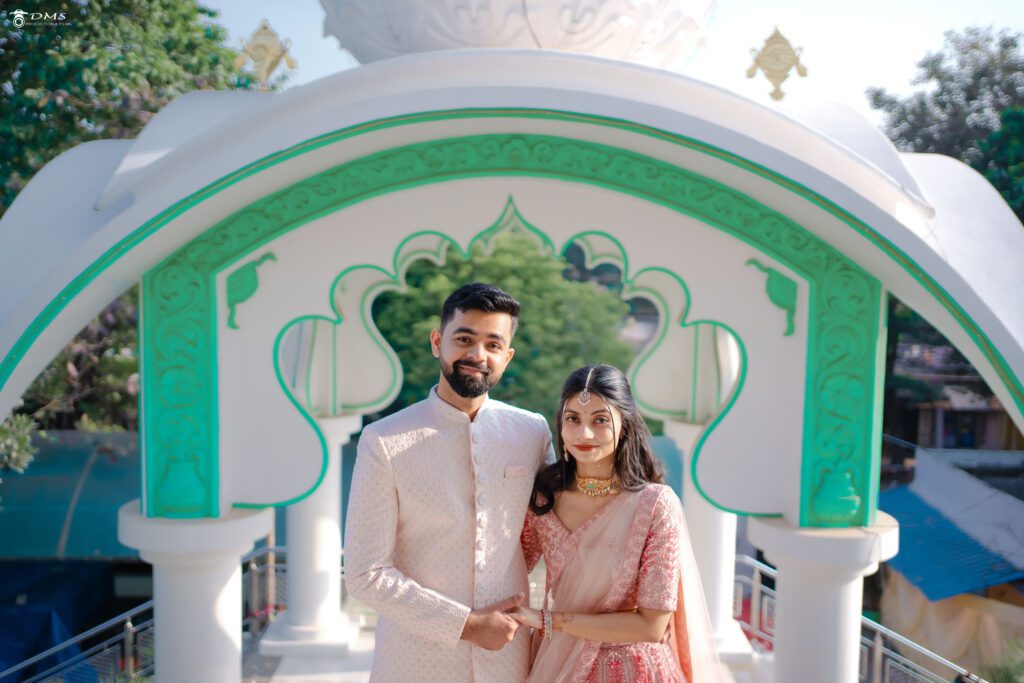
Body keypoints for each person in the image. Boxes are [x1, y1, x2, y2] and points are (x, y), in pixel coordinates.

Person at [344, 282, 554, 682]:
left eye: (494, 344)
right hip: (414, 659)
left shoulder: (531, 432)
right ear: (438, 341)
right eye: (464, 339)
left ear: (507, 357)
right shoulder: (385, 440)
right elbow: (364, 573)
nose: (478, 355)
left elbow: (552, 533)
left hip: (509, 659)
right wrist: (467, 625)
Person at [512, 364, 721, 682]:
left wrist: (547, 620)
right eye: (573, 419)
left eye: (600, 420)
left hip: (632, 668)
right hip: (557, 662)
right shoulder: (543, 501)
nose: (584, 434)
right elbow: (507, 569)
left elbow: (652, 626)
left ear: (624, 426)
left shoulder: (654, 506)